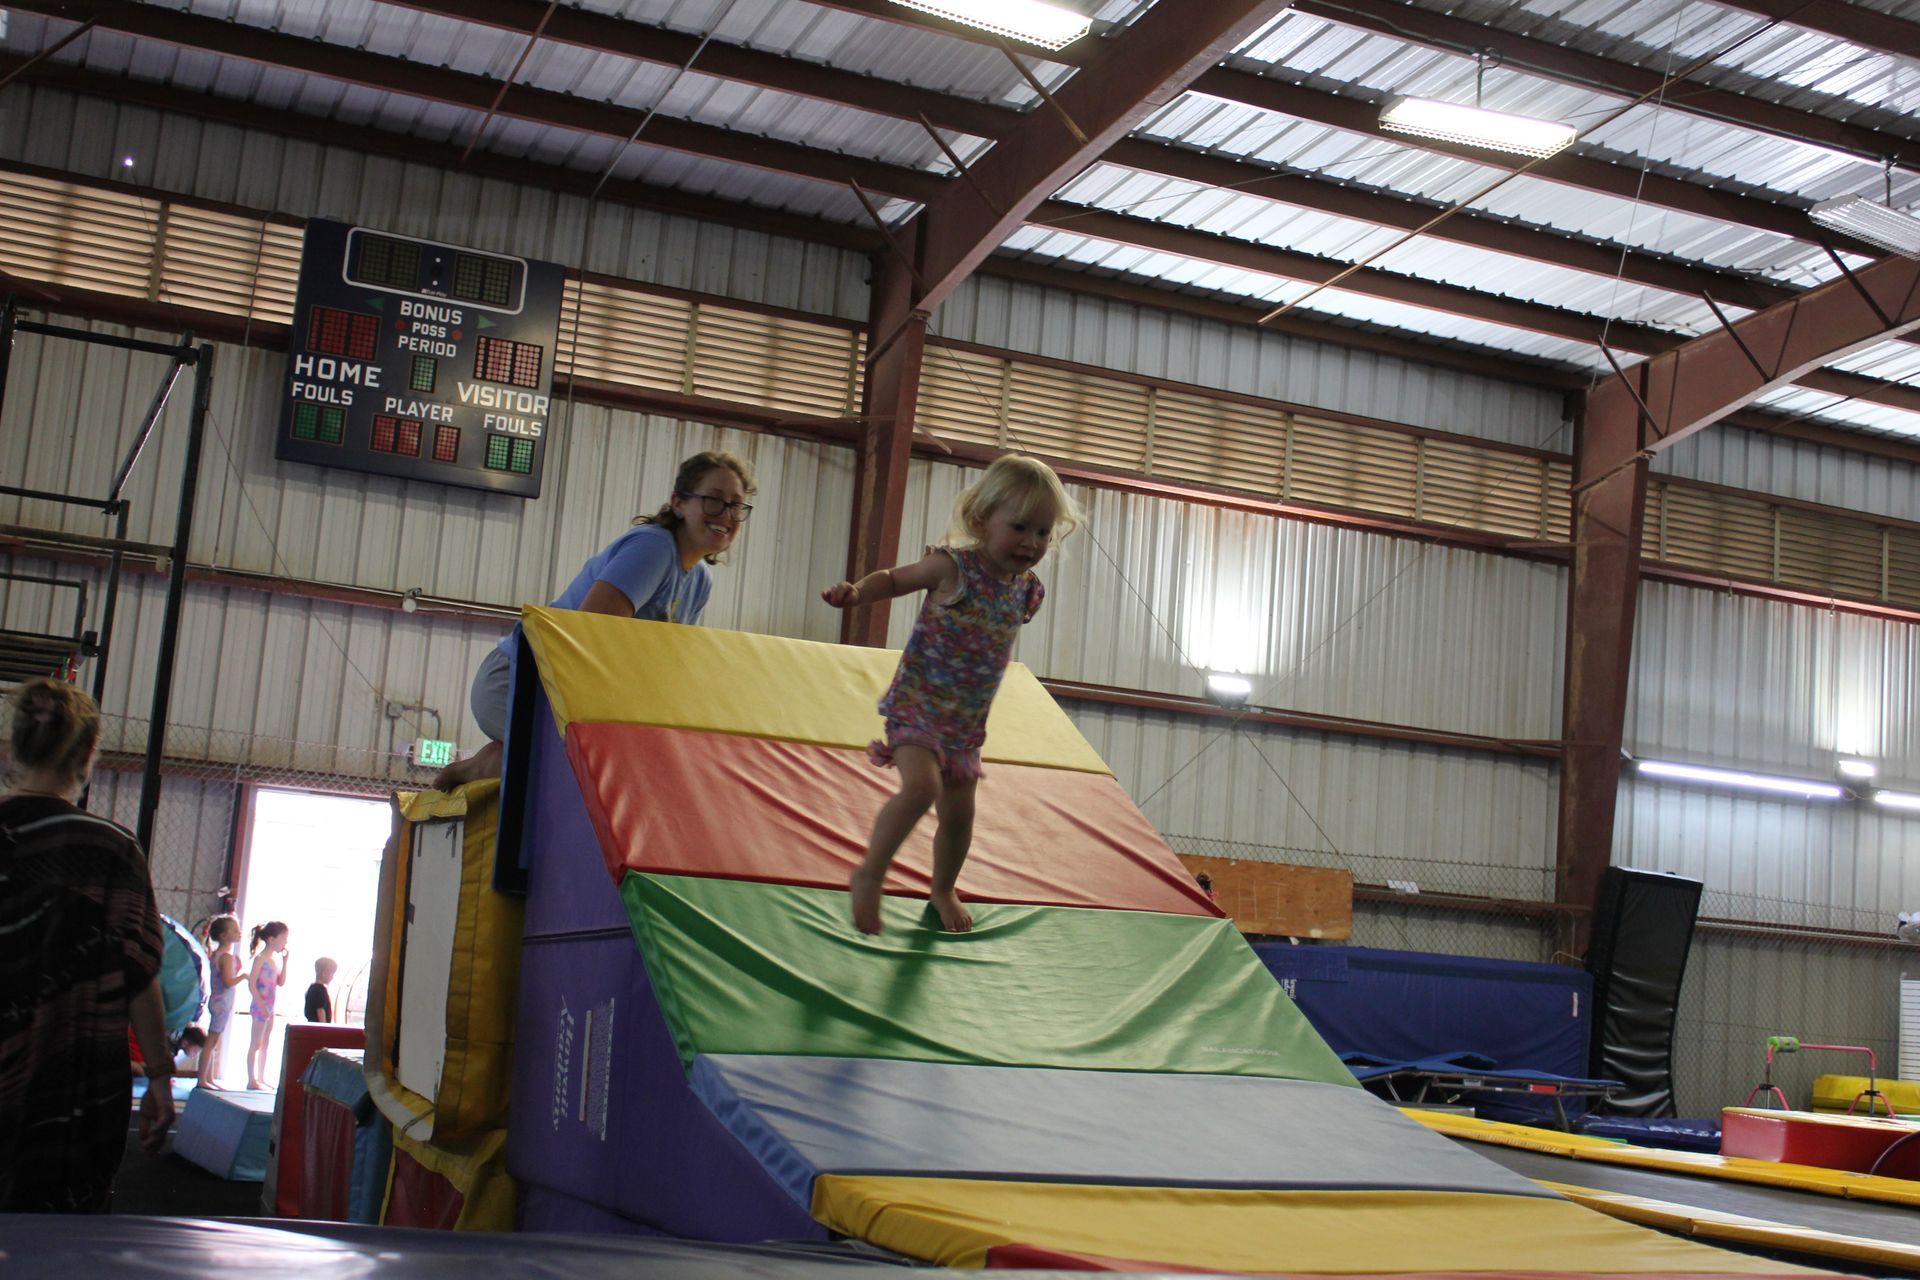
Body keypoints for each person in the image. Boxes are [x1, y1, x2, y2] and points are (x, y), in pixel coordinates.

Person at [822, 455, 1082, 935]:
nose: (1031, 543)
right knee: (921, 788)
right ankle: (870, 874)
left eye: (1043, 533)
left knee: (960, 815)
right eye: (1020, 527)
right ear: (983, 520)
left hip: (965, 725)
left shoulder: (1026, 590)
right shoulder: (953, 567)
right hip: (918, 707)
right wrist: (858, 592)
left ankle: (942, 887)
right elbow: (896, 579)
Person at [433, 449, 758, 790]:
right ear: (679, 503)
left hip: (565, 692)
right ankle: (467, 771)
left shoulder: (699, 581)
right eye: (714, 500)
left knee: (590, 764)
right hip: (521, 681)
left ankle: (486, 764)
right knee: (582, 765)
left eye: (737, 505)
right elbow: (588, 633)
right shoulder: (654, 549)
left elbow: (663, 665)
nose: (726, 514)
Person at [0, 678, 175, 1211]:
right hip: (71, 1100)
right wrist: (162, 1079)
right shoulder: (111, 850)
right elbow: (138, 975)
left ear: (12, 746)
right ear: (87, 752)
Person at [244, 921, 289, 1090]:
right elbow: (252, 984)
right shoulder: (260, 959)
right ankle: (251, 1079)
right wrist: (260, 1003)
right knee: (255, 1043)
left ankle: (261, 1077)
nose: (285, 943)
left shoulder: (273, 961)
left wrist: (285, 962)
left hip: (270, 1007)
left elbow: (281, 982)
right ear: (271, 939)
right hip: (260, 1006)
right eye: (283, 939)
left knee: (265, 1043)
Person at [199, 914, 243, 1089]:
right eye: (235, 930)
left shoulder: (218, 954)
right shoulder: (226, 957)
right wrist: (244, 976)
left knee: (214, 1041)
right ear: (224, 936)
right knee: (211, 1041)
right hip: (221, 1002)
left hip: (218, 1001)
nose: (239, 932)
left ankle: (208, 1078)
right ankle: (202, 1079)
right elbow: (228, 982)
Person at [305, 956, 336, 1022]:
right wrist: (324, 1030)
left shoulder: (311, 988)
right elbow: (320, 1011)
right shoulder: (321, 991)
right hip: (318, 1030)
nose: (332, 977)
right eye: (332, 974)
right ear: (324, 973)